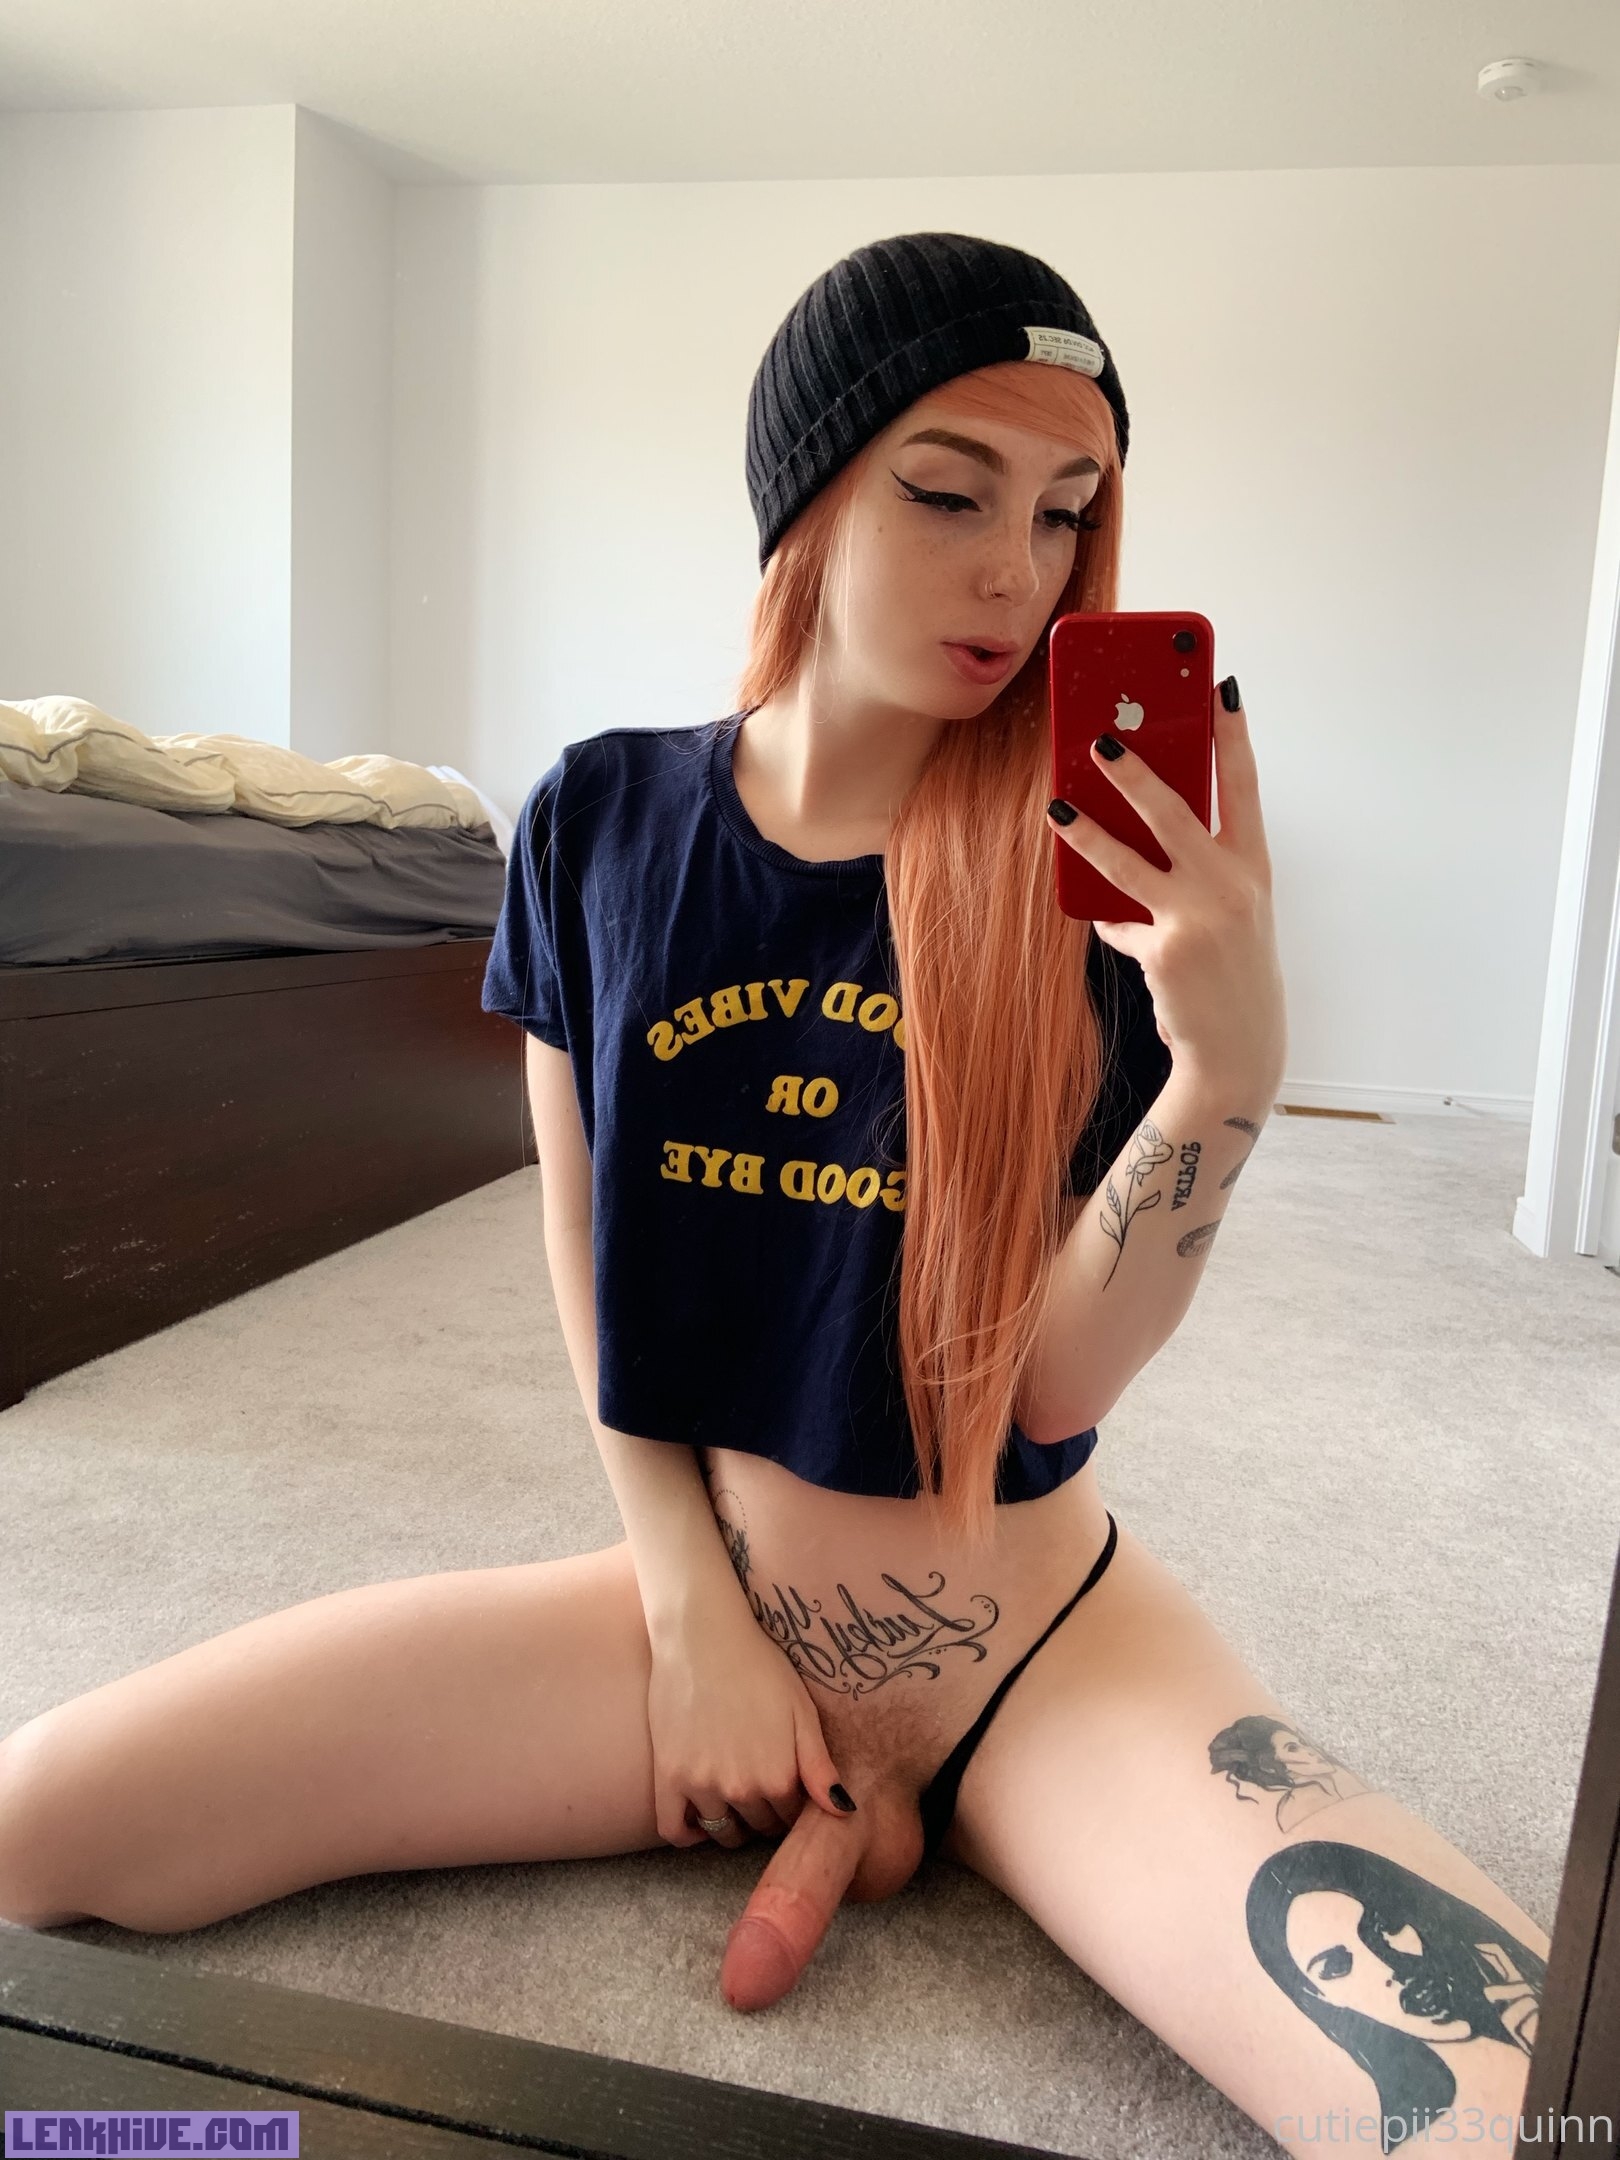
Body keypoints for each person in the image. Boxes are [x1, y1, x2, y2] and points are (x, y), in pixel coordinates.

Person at [0, 232, 1549, 2155]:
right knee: (41, 1823)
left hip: (1043, 1663)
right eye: (948, 492)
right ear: (804, 499)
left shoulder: (1086, 876)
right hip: (698, 1617)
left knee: (1513, 2109)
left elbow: (1047, 1388)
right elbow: (590, 1244)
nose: (1020, 570)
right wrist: (688, 1622)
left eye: (1068, 510)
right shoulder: (599, 822)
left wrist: (1222, 1076)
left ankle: (918, 1808)